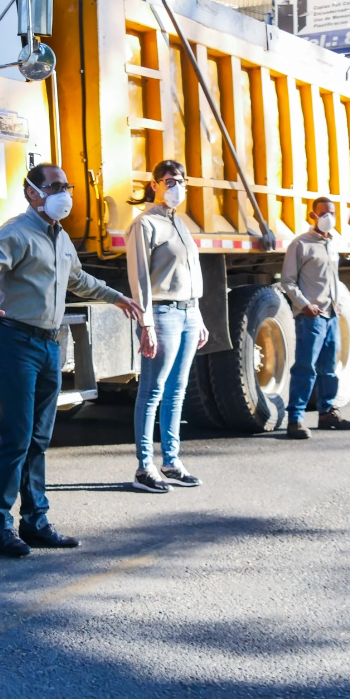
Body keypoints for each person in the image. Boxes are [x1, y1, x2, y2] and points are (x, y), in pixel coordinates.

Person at [0, 164, 144, 557]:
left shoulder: (61, 237)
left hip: (49, 346)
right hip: (15, 343)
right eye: (55, 187)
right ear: (32, 193)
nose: (65, 193)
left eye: (67, 187)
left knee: (40, 439)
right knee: (17, 436)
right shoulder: (16, 232)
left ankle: (36, 522)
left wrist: (118, 298)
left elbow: (78, 280)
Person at [124, 160, 208, 493]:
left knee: (177, 391)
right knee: (152, 391)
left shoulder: (180, 224)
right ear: (155, 184)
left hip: (188, 314)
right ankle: (145, 467)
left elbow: (191, 274)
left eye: (181, 181)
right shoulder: (145, 224)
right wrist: (146, 323)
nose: (177, 186)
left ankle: (172, 462)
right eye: (170, 180)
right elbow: (140, 278)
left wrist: (198, 316)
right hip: (162, 314)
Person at [280, 197, 350, 439]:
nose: (328, 218)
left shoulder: (332, 244)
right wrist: (304, 305)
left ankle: (327, 412)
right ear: (312, 215)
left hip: (331, 315)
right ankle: (295, 419)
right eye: (323, 213)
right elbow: (288, 281)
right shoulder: (301, 244)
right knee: (305, 367)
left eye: (332, 213)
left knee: (329, 367)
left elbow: (331, 280)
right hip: (312, 317)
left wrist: (339, 305)